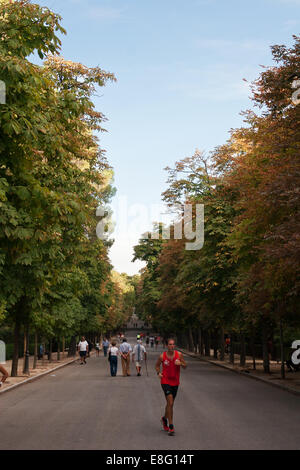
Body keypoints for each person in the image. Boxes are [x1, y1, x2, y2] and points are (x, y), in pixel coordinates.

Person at [155, 338, 187, 436]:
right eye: (170, 344)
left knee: (170, 404)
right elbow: (157, 366)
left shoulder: (179, 355)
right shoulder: (162, 356)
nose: (172, 346)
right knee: (170, 402)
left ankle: (164, 419)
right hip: (165, 381)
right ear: (167, 346)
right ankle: (171, 426)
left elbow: (185, 366)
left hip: (175, 382)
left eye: (173, 344)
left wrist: (181, 363)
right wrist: (159, 373)